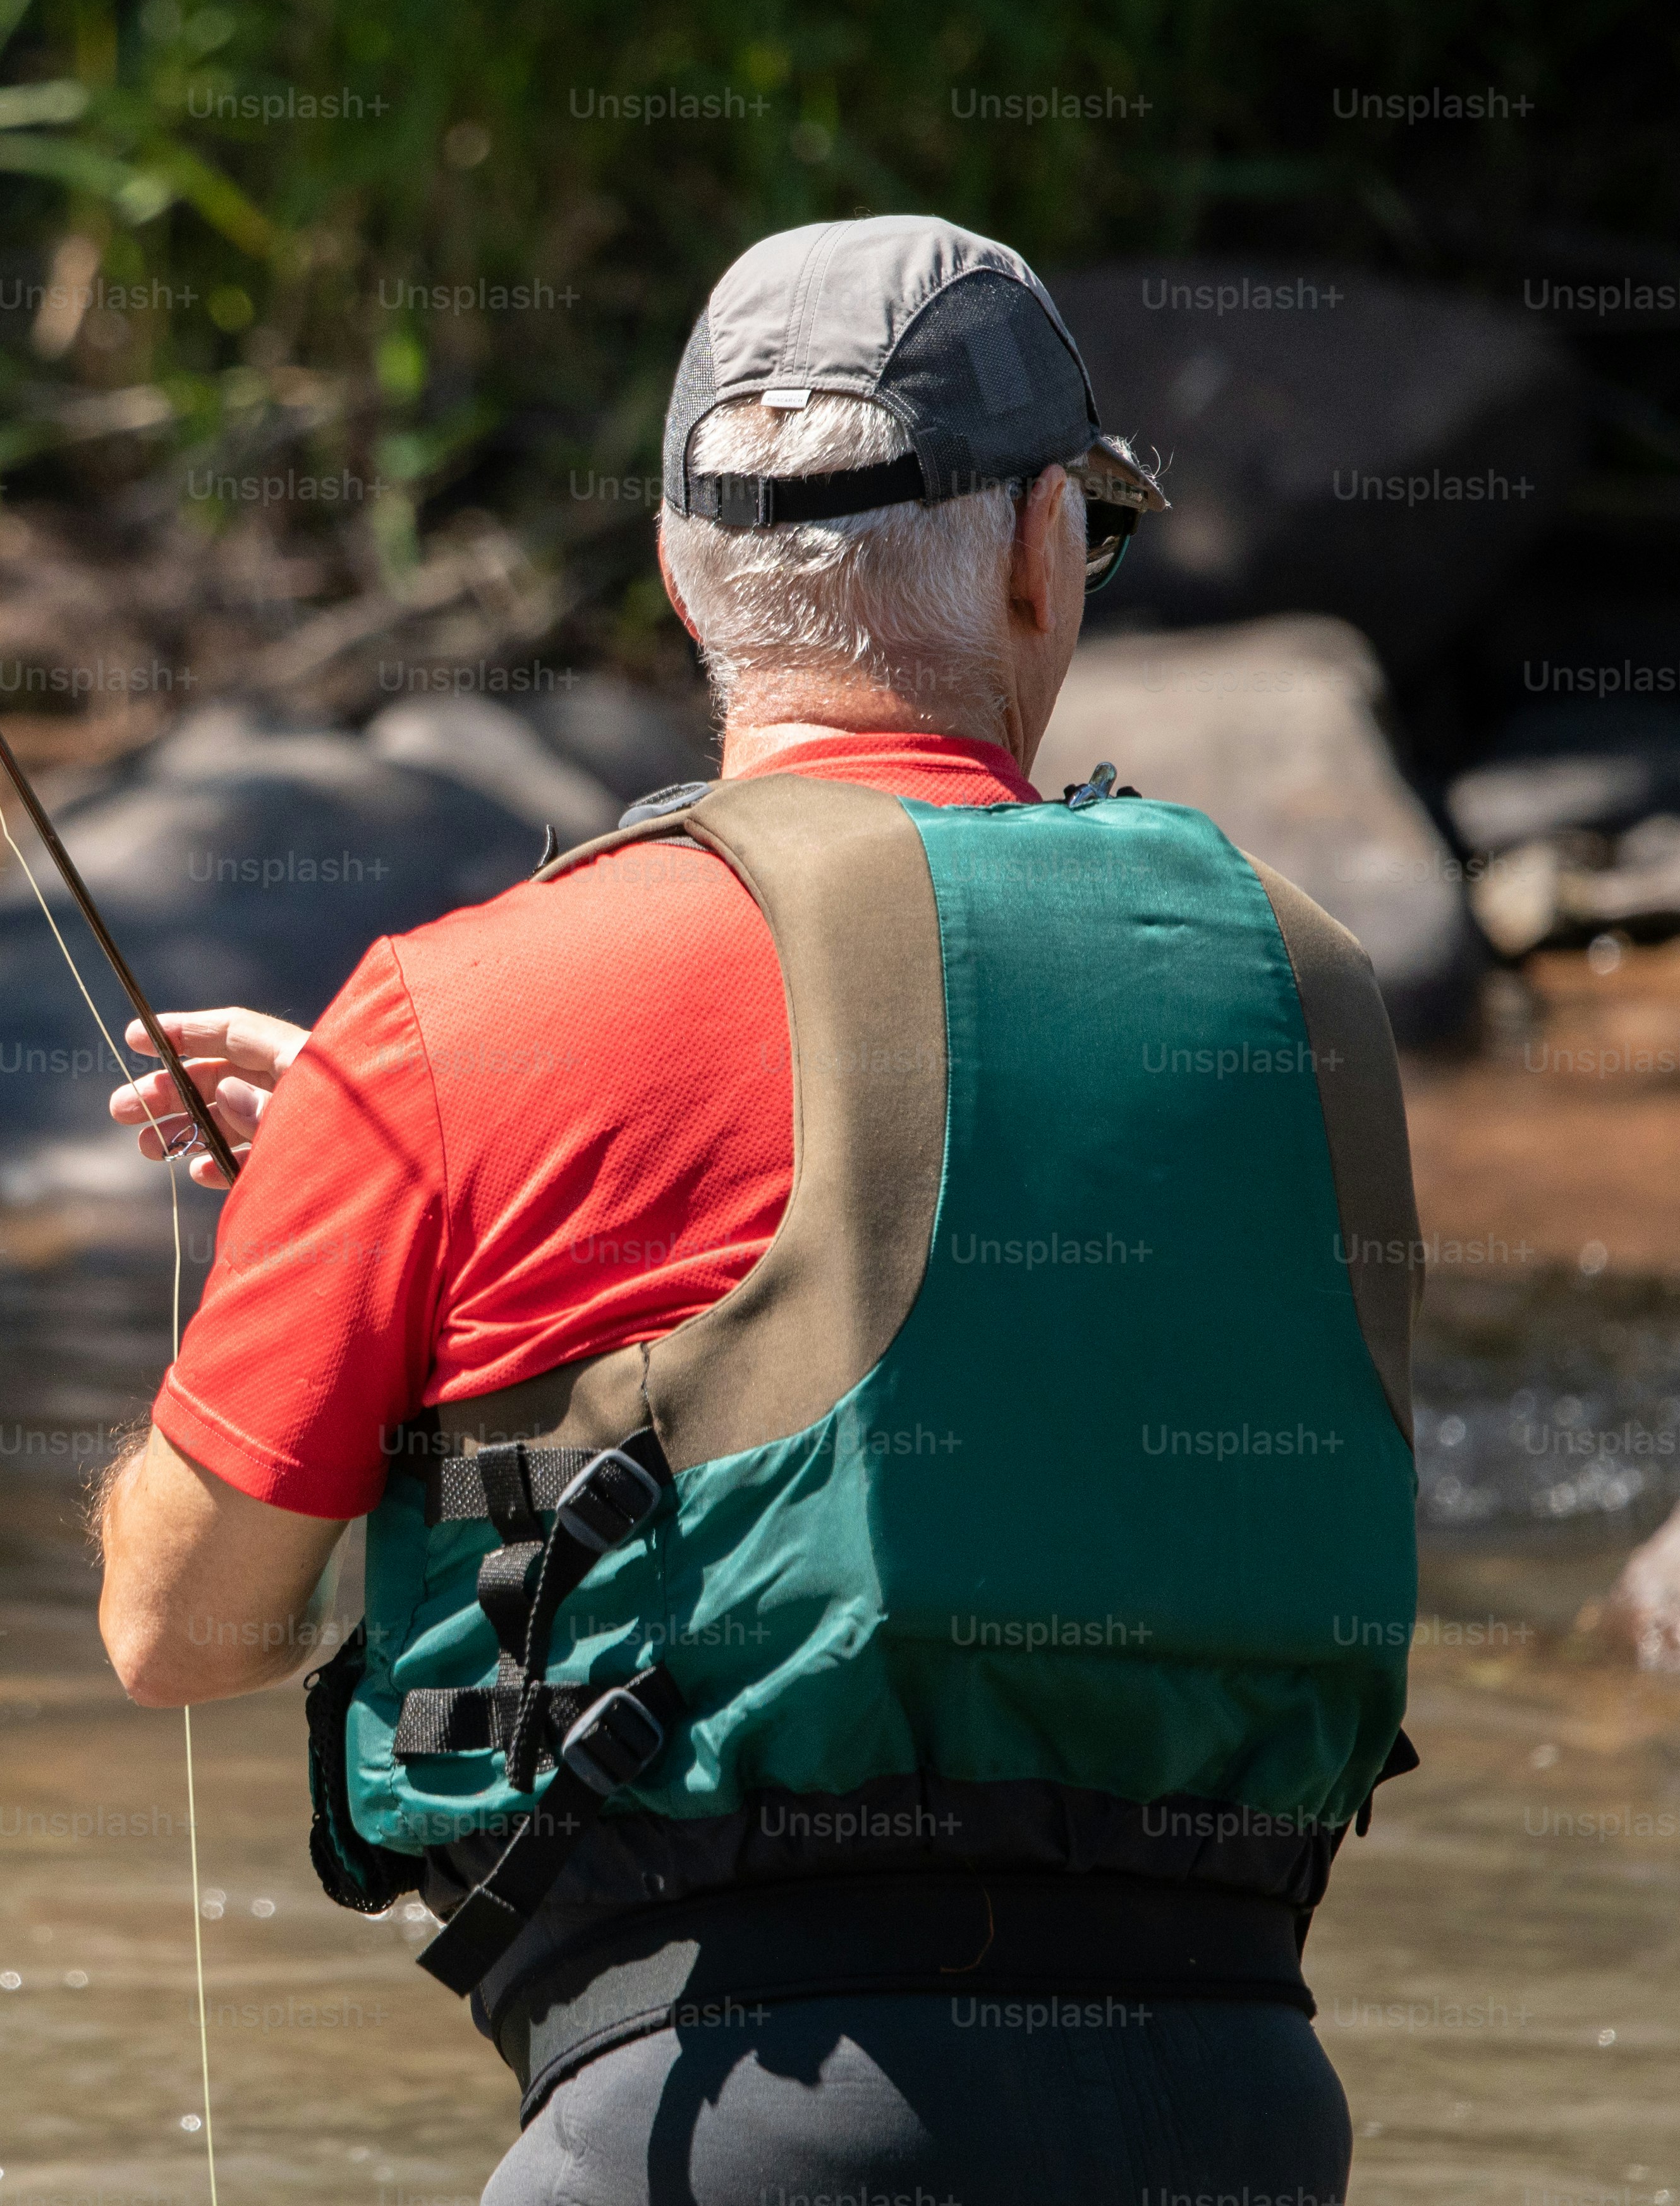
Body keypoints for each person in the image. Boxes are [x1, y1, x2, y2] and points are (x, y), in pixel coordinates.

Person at [87, 216, 1423, 2205]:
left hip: (719, 2127)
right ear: (1046, 549)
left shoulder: (457, 1016)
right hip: (1243, 2113)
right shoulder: (1302, 990)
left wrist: (394, 1174)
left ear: (680, 579)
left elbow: (183, 1626)